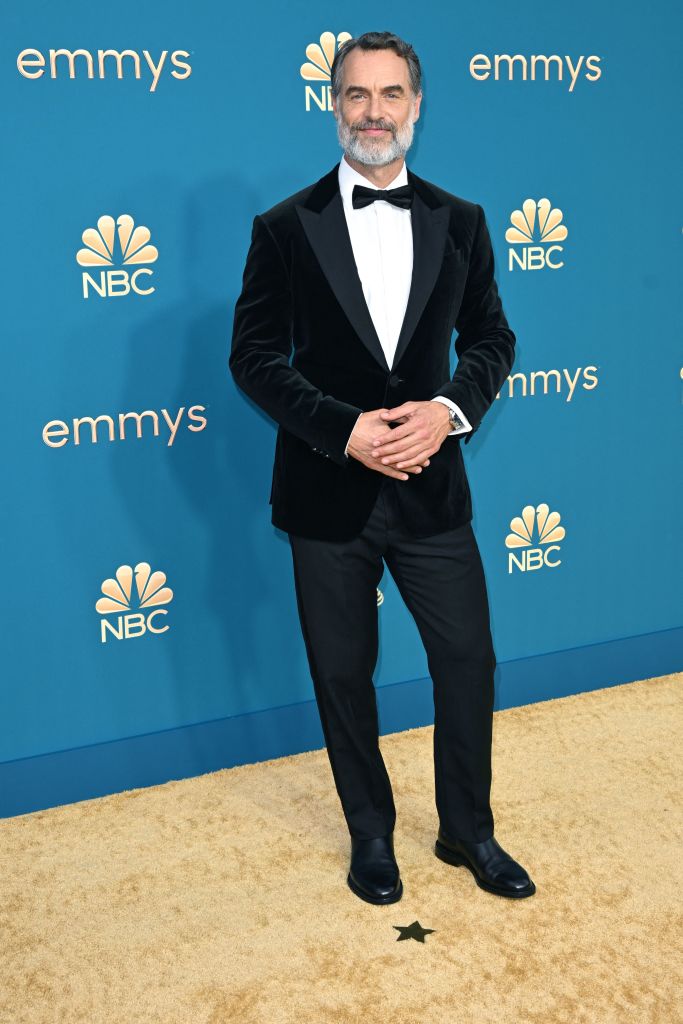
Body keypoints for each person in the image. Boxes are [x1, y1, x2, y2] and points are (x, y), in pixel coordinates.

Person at [229, 30, 535, 904]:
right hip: (327, 492)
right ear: (333, 106)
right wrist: (344, 432)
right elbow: (253, 357)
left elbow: (491, 340)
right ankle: (371, 834)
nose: (374, 112)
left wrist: (445, 415)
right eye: (356, 95)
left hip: (433, 492)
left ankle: (467, 831)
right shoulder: (284, 228)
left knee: (467, 661)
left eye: (390, 94)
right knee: (340, 672)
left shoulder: (462, 220)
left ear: (416, 104)